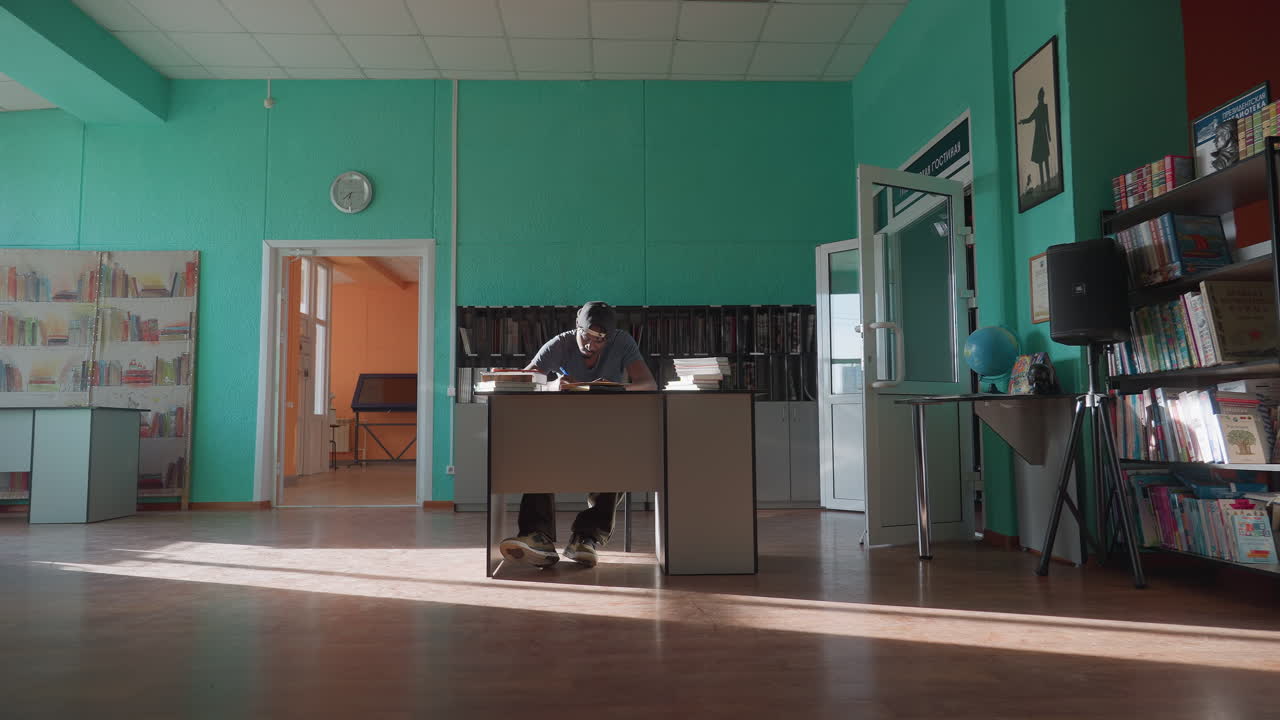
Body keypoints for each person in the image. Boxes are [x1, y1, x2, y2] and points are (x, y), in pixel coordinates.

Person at [498, 301, 657, 569]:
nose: (592, 344)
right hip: (561, 427)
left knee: (621, 457)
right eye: (587, 336)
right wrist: (551, 386)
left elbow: (648, 384)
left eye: (600, 340)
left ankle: (586, 537)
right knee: (538, 451)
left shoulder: (622, 342)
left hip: (606, 429)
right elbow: (524, 383)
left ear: (609, 337)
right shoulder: (559, 344)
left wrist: (617, 388)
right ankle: (537, 536)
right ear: (576, 326)